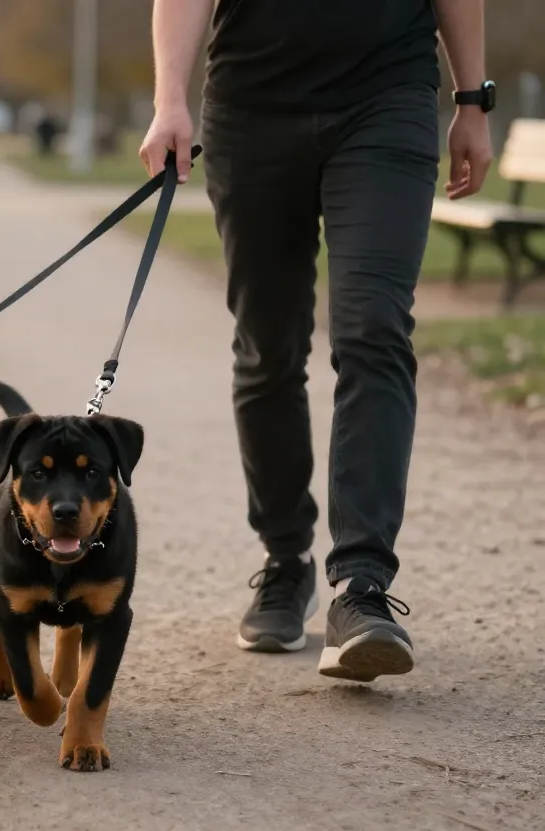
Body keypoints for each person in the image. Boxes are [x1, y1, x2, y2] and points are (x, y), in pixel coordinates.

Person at [139, 0, 493, 680]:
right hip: (252, 106)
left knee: (375, 330)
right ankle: (284, 560)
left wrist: (472, 99)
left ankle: (361, 586)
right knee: (267, 348)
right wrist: (169, 100)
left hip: (386, 99)